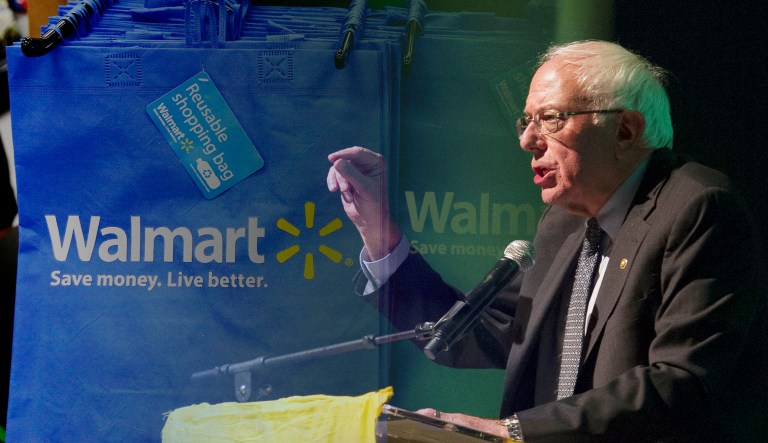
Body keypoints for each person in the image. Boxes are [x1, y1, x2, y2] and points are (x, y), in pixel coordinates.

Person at [326, 40, 767, 442]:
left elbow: (680, 382)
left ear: (625, 130)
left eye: (551, 119)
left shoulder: (698, 208)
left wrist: (512, 431)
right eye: (527, 121)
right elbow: (473, 333)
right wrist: (379, 231)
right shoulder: (562, 223)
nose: (526, 140)